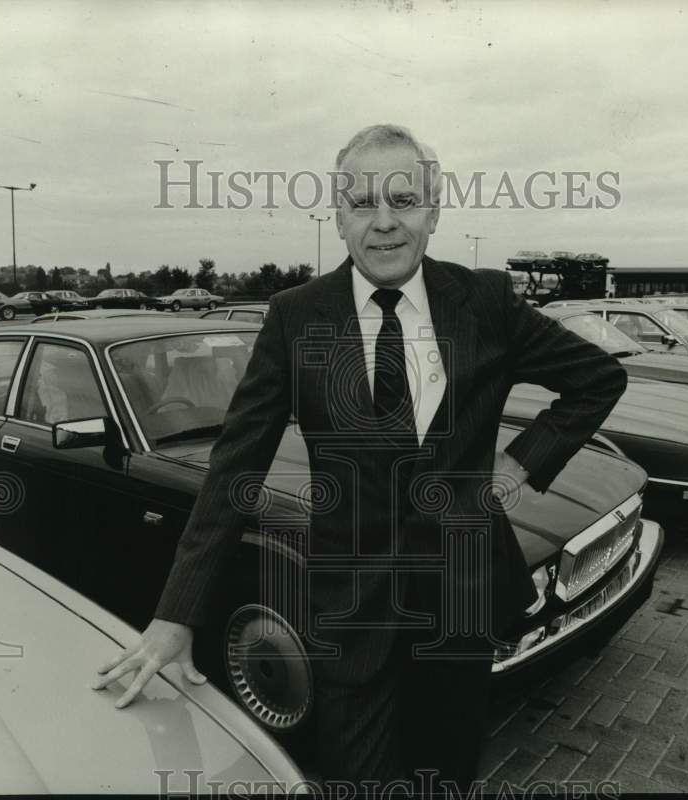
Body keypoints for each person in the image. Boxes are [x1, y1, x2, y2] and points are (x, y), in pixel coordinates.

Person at [93, 124, 627, 792]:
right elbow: (236, 467)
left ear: (433, 212)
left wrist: (518, 465)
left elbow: (598, 379)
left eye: (402, 201)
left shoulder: (486, 302)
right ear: (337, 217)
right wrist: (177, 615)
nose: (384, 224)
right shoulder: (295, 316)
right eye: (362, 203)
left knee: (443, 779)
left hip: (458, 605)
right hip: (352, 611)